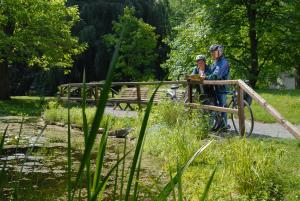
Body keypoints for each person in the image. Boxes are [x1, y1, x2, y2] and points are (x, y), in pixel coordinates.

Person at [205, 45, 230, 131]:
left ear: (219, 52)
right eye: (212, 53)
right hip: (215, 87)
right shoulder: (215, 62)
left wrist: (206, 77)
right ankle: (218, 125)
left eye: (214, 53)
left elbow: (216, 75)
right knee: (215, 106)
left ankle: (224, 126)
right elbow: (211, 72)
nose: (213, 55)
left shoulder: (223, 62)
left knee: (222, 107)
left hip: (222, 88)